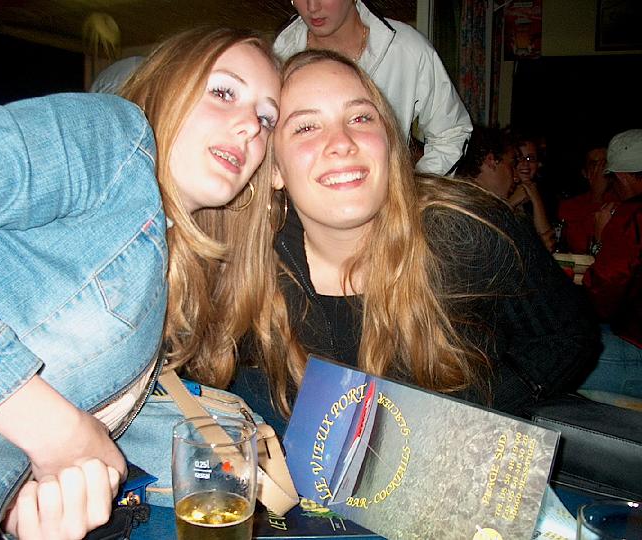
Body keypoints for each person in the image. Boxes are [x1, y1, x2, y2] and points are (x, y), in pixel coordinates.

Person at [0, 27, 280, 539]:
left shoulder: (164, 268)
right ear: (167, 86)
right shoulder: (111, 137)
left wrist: (22, 503)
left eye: (266, 119)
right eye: (224, 92)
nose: (249, 127)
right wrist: (52, 430)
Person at [229, 49, 598, 433]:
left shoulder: (466, 228)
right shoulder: (252, 273)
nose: (342, 142)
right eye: (306, 127)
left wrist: (468, 411)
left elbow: (569, 336)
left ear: (390, 144)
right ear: (274, 169)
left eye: (360, 118)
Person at [273, 0, 472, 176]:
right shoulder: (278, 57)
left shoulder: (405, 49)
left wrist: (414, 191)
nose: (312, 7)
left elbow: (451, 132)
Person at [579, 129, 642, 399]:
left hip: (637, 351)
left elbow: (602, 295)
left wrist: (602, 239)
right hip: (628, 330)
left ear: (623, 176)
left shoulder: (632, 215)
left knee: (546, 357)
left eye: (613, 179)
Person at [456, 127, 556, 251]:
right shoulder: (464, 207)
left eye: (531, 159)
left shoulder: (480, 204)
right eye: (512, 165)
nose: (516, 177)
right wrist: (535, 250)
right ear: (491, 161)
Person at [557, 143, 617, 254]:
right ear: (585, 173)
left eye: (605, 163)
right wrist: (598, 194)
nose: (601, 169)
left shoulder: (624, 201)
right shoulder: (570, 206)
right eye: (595, 165)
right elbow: (579, 246)